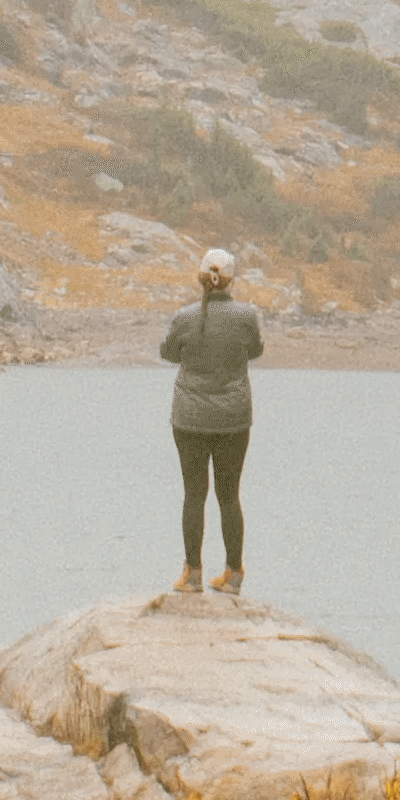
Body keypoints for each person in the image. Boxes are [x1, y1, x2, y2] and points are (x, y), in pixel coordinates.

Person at [159, 246, 264, 595]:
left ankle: (192, 575)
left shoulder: (185, 317)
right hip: (234, 418)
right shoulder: (246, 316)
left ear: (201, 277)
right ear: (230, 280)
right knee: (229, 496)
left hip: (190, 418)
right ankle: (233, 574)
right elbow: (256, 350)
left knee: (194, 495)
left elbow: (168, 352)